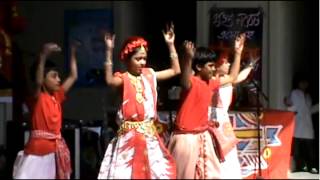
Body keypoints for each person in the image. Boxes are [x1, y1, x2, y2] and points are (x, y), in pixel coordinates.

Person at [98, 23, 180, 179]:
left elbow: (175, 70)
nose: (143, 62)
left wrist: (170, 45)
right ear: (127, 60)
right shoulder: (123, 78)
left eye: (144, 58)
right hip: (128, 139)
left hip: (149, 137)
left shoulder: (149, 74)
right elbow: (109, 80)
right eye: (138, 59)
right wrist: (109, 51)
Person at [168, 33, 245, 179]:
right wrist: (188, 58)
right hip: (186, 139)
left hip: (203, 136)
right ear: (198, 66)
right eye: (210, 66)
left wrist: (238, 53)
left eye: (214, 66)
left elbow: (232, 77)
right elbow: (184, 81)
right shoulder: (191, 82)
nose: (214, 69)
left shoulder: (211, 83)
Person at [12, 41, 79, 179]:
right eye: (54, 76)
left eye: (58, 76)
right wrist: (43, 55)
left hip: (53, 152)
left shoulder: (57, 96)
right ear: (43, 78)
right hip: (37, 152)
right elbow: (37, 82)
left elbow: (73, 76)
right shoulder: (38, 98)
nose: (59, 79)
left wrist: (72, 52)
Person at [209, 48, 258, 179]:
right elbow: (236, 77)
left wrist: (251, 65)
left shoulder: (226, 79)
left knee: (228, 154)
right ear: (217, 64)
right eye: (225, 62)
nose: (228, 64)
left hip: (223, 121)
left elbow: (239, 77)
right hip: (211, 119)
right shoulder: (211, 79)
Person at [284, 73, 319, 174]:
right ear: (298, 83)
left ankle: (312, 166)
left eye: (305, 82)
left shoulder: (308, 96)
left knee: (310, 150)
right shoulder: (294, 93)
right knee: (296, 151)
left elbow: (309, 110)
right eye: (302, 82)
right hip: (297, 125)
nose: (304, 84)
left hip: (307, 126)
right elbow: (290, 105)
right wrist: (287, 103)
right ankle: (299, 166)